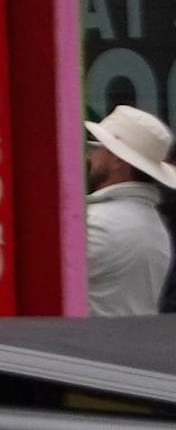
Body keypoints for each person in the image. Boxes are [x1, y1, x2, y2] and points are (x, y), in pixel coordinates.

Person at [87, 107, 175, 317]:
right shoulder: (154, 224)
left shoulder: (101, 223)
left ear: (117, 159)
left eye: (98, 147)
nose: (91, 157)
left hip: (87, 344)